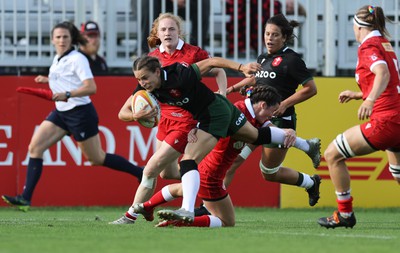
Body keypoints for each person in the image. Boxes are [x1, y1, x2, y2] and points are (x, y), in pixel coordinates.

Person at [131, 54, 321, 224]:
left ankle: (187, 209)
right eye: (139, 79)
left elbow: (213, 62)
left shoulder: (179, 74)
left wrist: (241, 68)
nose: (142, 83)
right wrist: (136, 116)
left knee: (189, 160)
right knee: (255, 135)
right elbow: (123, 113)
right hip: (222, 108)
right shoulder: (146, 87)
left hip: (213, 114)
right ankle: (307, 145)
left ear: (157, 71)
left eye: (145, 78)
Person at [1, 21, 143, 211]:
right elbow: (67, 79)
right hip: (61, 113)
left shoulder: (78, 58)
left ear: (72, 39)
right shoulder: (58, 58)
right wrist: (49, 79)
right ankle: (25, 198)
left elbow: (91, 87)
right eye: (58, 37)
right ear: (52, 40)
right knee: (35, 147)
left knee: (96, 159)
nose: (61, 40)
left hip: (80, 114)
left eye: (65, 37)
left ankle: (139, 172)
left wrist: (67, 94)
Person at [109, 13, 226, 225]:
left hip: (187, 122)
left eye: (171, 29)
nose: (167, 33)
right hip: (165, 122)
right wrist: (136, 115)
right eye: (163, 30)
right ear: (157, 33)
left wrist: (223, 93)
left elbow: (217, 69)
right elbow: (125, 110)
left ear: (178, 31)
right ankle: (203, 185)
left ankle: (131, 215)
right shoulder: (153, 59)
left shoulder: (192, 53)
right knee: (167, 172)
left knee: (150, 169)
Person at [213, 14, 320, 217]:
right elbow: (255, 80)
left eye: (275, 35)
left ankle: (310, 181)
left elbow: (311, 89)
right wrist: (232, 89)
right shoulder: (263, 58)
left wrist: (285, 104)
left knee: (268, 173)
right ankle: (213, 207)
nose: (269, 38)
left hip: (280, 120)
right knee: (231, 162)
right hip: (257, 120)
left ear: (285, 37)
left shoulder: (292, 60)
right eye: (267, 34)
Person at [135, 86, 284, 227]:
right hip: (212, 176)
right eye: (273, 110)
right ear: (263, 105)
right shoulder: (239, 115)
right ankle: (179, 221)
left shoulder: (247, 114)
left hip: (205, 167)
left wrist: (287, 133)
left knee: (184, 188)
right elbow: (260, 135)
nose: (273, 115)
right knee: (227, 221)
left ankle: (147, 206)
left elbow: (266, 128)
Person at [318, 5, 400, 229]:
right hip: (397, 116)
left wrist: (370, 101)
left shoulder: (369, 46)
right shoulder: (384, 43)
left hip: (386, 119)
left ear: (358, 26)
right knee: (397, 173)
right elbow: (388, 80)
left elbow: (382, 73)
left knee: (332, 154)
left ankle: (344, 214)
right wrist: (359, 94)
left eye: (353, 26)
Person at [134, 0, 210, 54]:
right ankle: (145, 50)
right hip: (156, 3)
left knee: (203, 2)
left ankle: (196, 50)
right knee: (147, 2)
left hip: (184, 4)